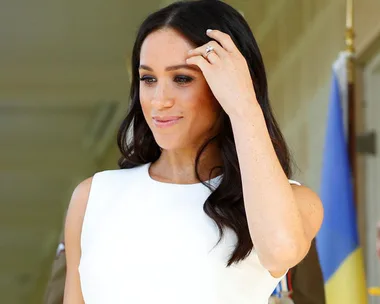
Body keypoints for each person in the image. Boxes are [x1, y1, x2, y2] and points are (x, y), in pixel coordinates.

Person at [63, 1, 324, 303]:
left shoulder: (293, 203)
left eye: (182, 78)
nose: (159, 100)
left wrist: (243, 106)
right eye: (148, 79)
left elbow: (280, 252)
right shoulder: (93, 197)